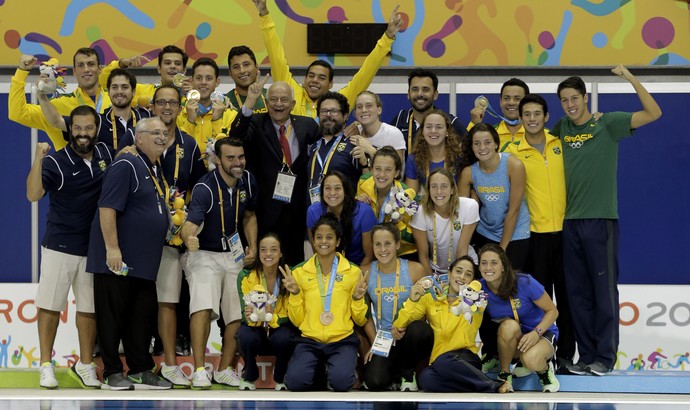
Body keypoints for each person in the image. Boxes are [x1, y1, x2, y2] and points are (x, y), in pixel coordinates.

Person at [552, 66, 661, 376]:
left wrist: (629, 78)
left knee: (603, 292)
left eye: (575, 98)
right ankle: (586, 357)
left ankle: (605, 358)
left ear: (585, 98)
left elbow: (653, 112)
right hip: (569, 224)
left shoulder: (608, 124)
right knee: (577, 295)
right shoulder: (560, 128)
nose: (570, 104)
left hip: (601, 221)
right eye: (564, 100)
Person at [116, 85, 206, 387]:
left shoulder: (190, 144)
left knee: (167, 299)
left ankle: (168, 363)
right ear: (152, 106)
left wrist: (185, 221)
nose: (167, 107)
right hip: (139, 236)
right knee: (134, 299)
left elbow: (195, 187)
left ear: (181, 107)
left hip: (172, 235)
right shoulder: (133, 145)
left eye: (173, 102)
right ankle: (130, 358)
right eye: (161, 102)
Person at [26, 106, 113, 389]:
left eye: (88, 128)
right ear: (69, 129)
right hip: (60, 246)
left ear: (96, 130)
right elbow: (33, 194)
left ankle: (86, 365)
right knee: (50, 307)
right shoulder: (56, 161)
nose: (83, 134)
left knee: (89, 310)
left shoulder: (105, 155)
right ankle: (45, 366)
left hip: (93, 249)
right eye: (77, 128)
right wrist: (39, 159)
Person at [86, 117, 173, 390]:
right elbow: (108, 208)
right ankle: (112, 371)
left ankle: (140, 368)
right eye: (154, 132)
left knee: (142, 317)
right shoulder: (126, 164)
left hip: (144, 263)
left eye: (164, 132)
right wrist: (112, 248)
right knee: (111, 317)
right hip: (118, 260)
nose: (161, 136)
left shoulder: (153, 167)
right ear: (138, 138)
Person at [504, 93, 575, 373]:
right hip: (534, 237)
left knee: (568, 299)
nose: (532, 119)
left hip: (566, 234)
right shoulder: (511, 152)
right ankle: (540, 355)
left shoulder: (561, 143)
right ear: (520, 119)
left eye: (537, 114)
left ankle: (567, 355)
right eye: (527, 114)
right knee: (539, 303)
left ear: (546, 117)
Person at [181, 137, 258, 389]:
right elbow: (190, 224)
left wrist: (253, 246)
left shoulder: (247, 179)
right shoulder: (205, 188)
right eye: (231, 158)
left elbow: (249, 215)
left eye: (241, 157)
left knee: (236, 312)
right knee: (202, 307)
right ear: (217, 159)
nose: (238, 163)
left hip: (233, 254)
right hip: (204, 254)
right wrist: (188, 237)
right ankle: (201, 369)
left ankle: (224, 369)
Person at [252, 0, 403, 118]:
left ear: (330, 84)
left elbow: (366, 72)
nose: (315, 80)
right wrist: (264, 15)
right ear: (304, 80)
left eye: (321, 77)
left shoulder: (339, 101)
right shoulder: (291, 93)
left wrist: (387, 37)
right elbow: (276, 55)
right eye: (311, 76)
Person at [229, 80, 320, 266]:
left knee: (294, 264)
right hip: (264, 210)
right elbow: (235, 136)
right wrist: (249, 103)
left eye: (284, 99)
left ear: (293, 104)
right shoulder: (255, 122)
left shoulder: (308, 126)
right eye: (273, 99)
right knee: (264, 265)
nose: (278, 104)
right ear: (267, 102)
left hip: (296, 210)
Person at [393, 256, 511, 393]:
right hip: (439, 362)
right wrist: (412, 300)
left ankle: (493, 385)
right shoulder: (431, 298)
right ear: (449, 274)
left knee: (443, 360)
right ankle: (475, 387)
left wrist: (470, 288)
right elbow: (399, 325)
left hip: (466, 359)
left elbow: (477, 286)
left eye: (468, 274)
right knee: (426, 378)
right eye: (458, 271)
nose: (462, 277)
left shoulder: (474, 301)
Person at [281, 214, 368, 391]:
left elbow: (360, 320)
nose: (323, 242)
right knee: (295, 383)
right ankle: (319, 369)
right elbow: (297, 321)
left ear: (337, 241)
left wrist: (357, 298)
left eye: (329, 237)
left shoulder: (353, 272)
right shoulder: (299, 273)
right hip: (310, 340)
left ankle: (335, 368)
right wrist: (296, 293)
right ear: (313, 241)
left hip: (341, 340)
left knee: (342, 384)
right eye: (319, 237)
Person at [478, 244, 560, 393]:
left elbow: (553, 311)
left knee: (531, 360)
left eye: (494, 262)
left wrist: (536, 333)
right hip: (516, 338)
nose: (488, 267)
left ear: (503, 266)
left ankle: (545, 370)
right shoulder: (479, 288)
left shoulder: (525, 282)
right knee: (508, 326)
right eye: (484, 263)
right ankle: (505, 374)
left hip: (541, 333)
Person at [362, 223, 431, 392]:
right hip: (384, 340)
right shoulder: (364, 272)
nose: (383, 249)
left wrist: (404, 324)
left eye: (388, 243)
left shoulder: (416, 270)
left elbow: (426, 309)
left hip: (409, 336)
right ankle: (393, 374)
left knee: (420, 330)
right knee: (374, 382)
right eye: (378, 244)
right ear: (372, 246)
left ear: (398, 244)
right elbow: (364, 314)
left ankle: (408, 372)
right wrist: (373, 343)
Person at [459, 123, 530, 270]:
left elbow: (514, 210)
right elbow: (462, 214)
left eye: (487, 142)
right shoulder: (468, 172)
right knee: (486, 280)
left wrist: (502, 249)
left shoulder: (514, 165)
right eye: (477, 143)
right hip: (486, 231)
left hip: (516, 232)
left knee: (509, 280)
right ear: (472, 147)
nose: (482, 148)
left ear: (496, 144)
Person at [9, 50, 112, 149]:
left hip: (112, 165)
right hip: (72, 166)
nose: (86, 69)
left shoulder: (114, 100)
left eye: (91, 64)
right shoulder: (56, 106)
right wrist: (22, 72)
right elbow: (17, 113)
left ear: (100, 69)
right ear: (74, 71)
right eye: (80, 65)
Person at [236, 233, 299, 391]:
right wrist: (250, 314)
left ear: (281, 253)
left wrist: (273, 317)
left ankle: (281, 376)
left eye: (273, 249)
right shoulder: (246, 276)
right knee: (244, 334)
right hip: (257, 329)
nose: (268, 254)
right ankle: (249, 375)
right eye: (263, 250)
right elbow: (244, 312)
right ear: (258, 253)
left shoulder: (290, 276)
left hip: (279, 329)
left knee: (285, 337)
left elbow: (292, 314)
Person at [38, 69, 150, 150]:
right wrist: (41, 96)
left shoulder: (147, 118)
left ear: (134, 91)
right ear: (109, 91)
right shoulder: (99, 121)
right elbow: (56, 121)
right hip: (110, 181)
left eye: (125, 87)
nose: (119, 91)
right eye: (114, 87)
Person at [411, 168, 479, 276]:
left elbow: (462, 250)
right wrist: (433, 283)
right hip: (435, 270)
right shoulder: (420, 212)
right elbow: (423, 255)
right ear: (428, 190)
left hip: (466, 267)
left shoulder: (469, 206)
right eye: (434, 186)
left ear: (452, 189)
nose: (439, 191)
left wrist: (457, 279)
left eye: (444, 186)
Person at [390, 68, 467, 158]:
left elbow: (469, 150)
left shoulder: (450, 122)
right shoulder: (400, 119)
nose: (420, 94)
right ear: (408, 94)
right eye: (415, 89)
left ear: (435, 95)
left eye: (425, 89)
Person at [356, 146, 417, 258]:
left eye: (388, 170)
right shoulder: (363, 183)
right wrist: (356, 201)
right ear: (371, 169)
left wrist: (398, 225)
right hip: (371, 248)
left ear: (397, 172)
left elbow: (414, 239)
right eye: (378, 169)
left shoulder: (406, 195)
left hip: (401, 253)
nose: (382, 175)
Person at [307, 170, 377, 266]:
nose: (332, 193)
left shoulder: (364, 212)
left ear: (345, 191)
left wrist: (353, 276)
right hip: (327, 269)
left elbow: (369, 256)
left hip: (359, 268)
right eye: (327, 188)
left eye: (337, 188)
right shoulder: (313, 212)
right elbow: (318, 252)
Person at [98, 45, 190, 107]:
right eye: (167, 63)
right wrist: (122, 63)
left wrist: (190, 94)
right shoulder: (141, 91)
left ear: (184, 70)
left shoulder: (192, 95)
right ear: (158, 68)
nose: (172, 66)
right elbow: (103, 82)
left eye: (177, 63)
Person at [178, 57, 237, 155]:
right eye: (199, 78)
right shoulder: (180, 114)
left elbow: (229, 153)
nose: (203, 82)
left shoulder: (230, 115)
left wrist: (217, 121)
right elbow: (180, 151)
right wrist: (190, 121)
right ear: (191, 81)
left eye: (209, 78)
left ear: (217, 82)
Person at [307, 92, 361, 193]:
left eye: (334, 111)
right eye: (323, 111)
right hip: (314, 207)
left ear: (345, 116)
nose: (328, 115)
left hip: (344, 207)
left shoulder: (354, 145)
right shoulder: (312, 145)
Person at [404, 109, 463, 195]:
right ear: (423, 131)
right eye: (428, 127)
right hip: (427, 206)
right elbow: (410, 196)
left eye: (439, 127)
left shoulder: (459, 157)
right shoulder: (414, 159)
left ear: (447, 132)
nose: (433, 131)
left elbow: (463, 197)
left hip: (455, 206)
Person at [468, 78, 530, 150]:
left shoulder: (539, 134)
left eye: (517, 99)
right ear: (500, 102)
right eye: (506, 98)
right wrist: (474, 124)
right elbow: (465, 153)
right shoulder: (490, 134)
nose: (511, 103)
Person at [349, 91, 406, 166]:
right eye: (359, 107)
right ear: (355, 113)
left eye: (369, 105)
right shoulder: (354, 132)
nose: (364, 110)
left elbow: (397, 169)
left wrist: (370, 149)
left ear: (379, 110)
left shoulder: (392, 133)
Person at [225, 45, 267, 113]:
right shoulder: (225, 102)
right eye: (236, 67)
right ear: (230, 73)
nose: (242, 71)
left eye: (246, 64)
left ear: (256, 67)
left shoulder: (272, 98)